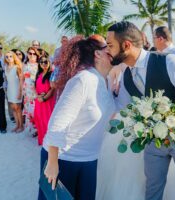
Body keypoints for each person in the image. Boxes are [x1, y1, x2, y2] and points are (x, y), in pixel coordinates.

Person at [99, 21, 175, 200]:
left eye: (110, 45)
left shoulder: (169, 61)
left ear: (126, 45)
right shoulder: (126, 75)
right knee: (152, 191)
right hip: (153, 143)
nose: (107, 50)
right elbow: (123, 108)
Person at [41, 35, 115, 200]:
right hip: (64, 158)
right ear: (97, 54)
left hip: (90, 158)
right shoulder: (83, 80)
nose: (111, 50)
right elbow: (57, 123)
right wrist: (53, 163)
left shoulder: (107, 80)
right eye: (107, 47)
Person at [34, 55, 55, 145]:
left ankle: (49, 143)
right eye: (41, 62)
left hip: (48, 101)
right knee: (40, 120)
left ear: (50, 62)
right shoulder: (39, 74)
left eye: (45, 61)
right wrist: (38, 96)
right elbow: (35, 87)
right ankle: (42, 140)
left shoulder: (52, 73)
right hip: (39, 101)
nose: (43, 64)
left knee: (48, 121)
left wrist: (44, 97)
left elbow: (53, 88)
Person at [4, 51, 24, 133]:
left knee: (18, 108)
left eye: (10, 56)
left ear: (14, 57)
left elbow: (21, 81)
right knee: (13, 108)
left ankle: (21, 126)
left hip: (17, 89)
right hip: (9, 90)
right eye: (7, 57)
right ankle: (17, 125)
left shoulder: (17, 67)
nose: (9, 58)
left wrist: (20, 92)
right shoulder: (6, 67)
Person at [22, 47, 40, 136]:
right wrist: (21, 91)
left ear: (37, 55)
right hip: (27, 91)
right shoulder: (24, 65)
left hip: (37, 91)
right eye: (30, 53)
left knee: (37, 110)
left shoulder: (40, 65)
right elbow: (22, 79)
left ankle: (38, 129)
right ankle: (32, 128)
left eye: (34, 54)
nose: (32, 55)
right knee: (29, 110)